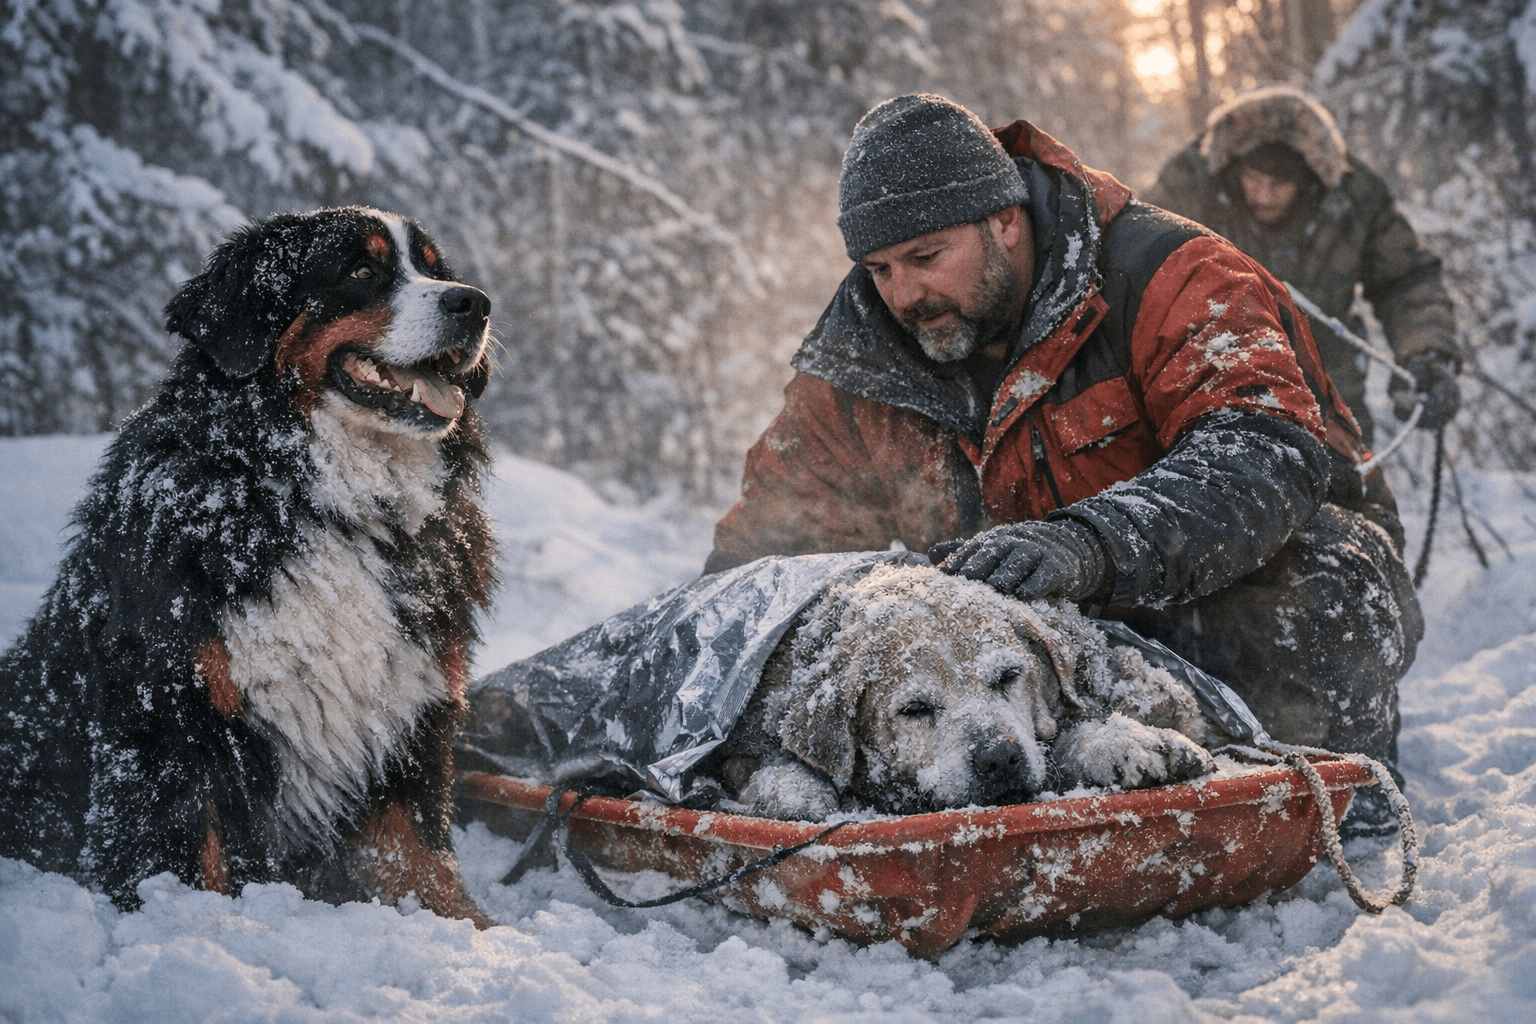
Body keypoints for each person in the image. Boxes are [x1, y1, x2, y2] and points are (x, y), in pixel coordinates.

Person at [705, 94, 1423, 836]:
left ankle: (1335, 803)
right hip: (1031, 648)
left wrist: (1091, 542)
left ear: (1006, 220)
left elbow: (1263, 448)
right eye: (880, 268)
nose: (905, 295)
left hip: (1229, 578)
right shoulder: (859, 360)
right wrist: (710, 693)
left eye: (926, 258)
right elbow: (756, 562)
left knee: (1321, 584)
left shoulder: (1172, 273)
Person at [1143, 85, 1460, 445]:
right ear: (1234, 168)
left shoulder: (1352, 197)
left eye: (1278, 183)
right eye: (1254, 179)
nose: (1263, 194)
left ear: (1307, 178)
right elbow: (1138, 269)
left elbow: (1406, 280)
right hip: (1213, 392)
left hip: (1328, 393)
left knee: (1352, 496)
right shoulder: (1190, 187)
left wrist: (1426, 355)